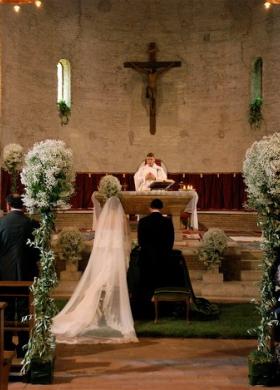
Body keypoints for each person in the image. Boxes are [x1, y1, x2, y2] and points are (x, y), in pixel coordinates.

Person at [52, 196, 138, 344]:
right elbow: (126, 239)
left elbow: (99, 241)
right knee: (110, 286)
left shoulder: (104, 221)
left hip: (104, 258)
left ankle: (97, 314)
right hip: (115, 259)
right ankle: (109, 314)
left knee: (97, 286)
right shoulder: (121, 219)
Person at [0, 194, 39, 355]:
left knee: (5, 307)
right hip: (27, 273)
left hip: (3, 275)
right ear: (24, 206)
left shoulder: (1, 223)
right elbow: (38, 252)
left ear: (8, 206)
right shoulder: (32, 224)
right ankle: (24, 345)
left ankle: (6, 343)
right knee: (24, 309)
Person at [137, 198, 174, 303]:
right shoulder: (167, 222)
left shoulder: (143, 221)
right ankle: (162, 304)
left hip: (146, 258)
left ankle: (146, 306)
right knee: (161, 281)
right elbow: (170, 241)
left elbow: (141, 241)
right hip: (163, 258)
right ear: (161, 208)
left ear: (150, 208)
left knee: (147, 282)